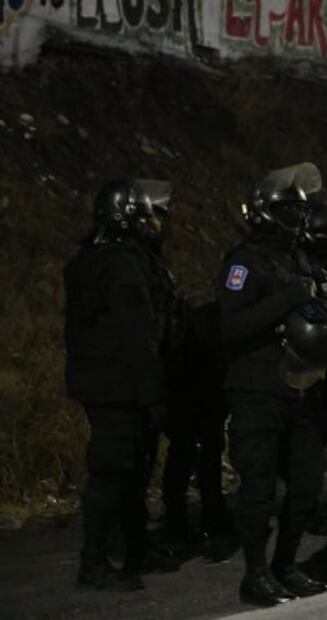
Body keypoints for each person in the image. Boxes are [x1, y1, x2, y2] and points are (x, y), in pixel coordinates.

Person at [219, 163, 327, 606]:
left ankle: (285, 564)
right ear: (267, 212)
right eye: (290, 210)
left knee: (307, 483)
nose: (299, 219)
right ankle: (256, 574)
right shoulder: (244, 262)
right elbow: (232, 326)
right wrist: (288, 299)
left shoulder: (299, 258)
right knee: (259, 488)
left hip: (300, 386)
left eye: (301, 211)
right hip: (256, 388)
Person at [65, 179, 181, 591]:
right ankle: (94, 562)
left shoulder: (95, 259)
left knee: (132, 469)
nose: (151, 225)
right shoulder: (121, 264)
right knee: (113, 471)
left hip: (107, 381)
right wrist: (153, 393)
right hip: (118, 385)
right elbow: (137, 333)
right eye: (143, 217)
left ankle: (135, 546)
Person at [161, 299, 235, 549]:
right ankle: (182, 521)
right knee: (188, 452)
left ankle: (197, 517)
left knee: (202, 450)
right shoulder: (210, 315)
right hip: (191, 380)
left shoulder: (213, 313)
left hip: (199, 380)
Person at [296, 198, 327, 536]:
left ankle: (309, 503)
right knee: (305, 442)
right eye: (322, 233)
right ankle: (303, 507)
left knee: (318, 436)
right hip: (303, 363)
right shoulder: (299, 265)